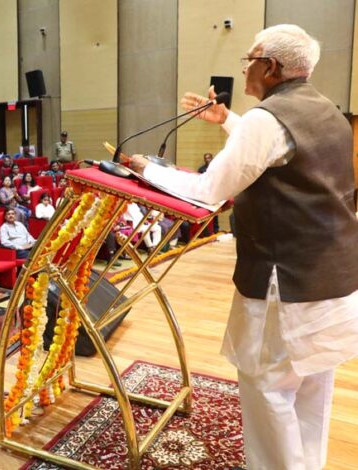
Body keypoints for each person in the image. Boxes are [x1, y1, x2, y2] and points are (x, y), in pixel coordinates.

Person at [128, 24, 358, 470]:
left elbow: (209, 190)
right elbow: (279, 150)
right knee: (312, 383)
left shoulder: (266, 119)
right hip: (333, 275)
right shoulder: (328, 110)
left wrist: (146, 170)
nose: (244, 68)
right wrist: (227, 121)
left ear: (270, 67)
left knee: (268, 385)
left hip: (286, 280)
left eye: (249, 59)